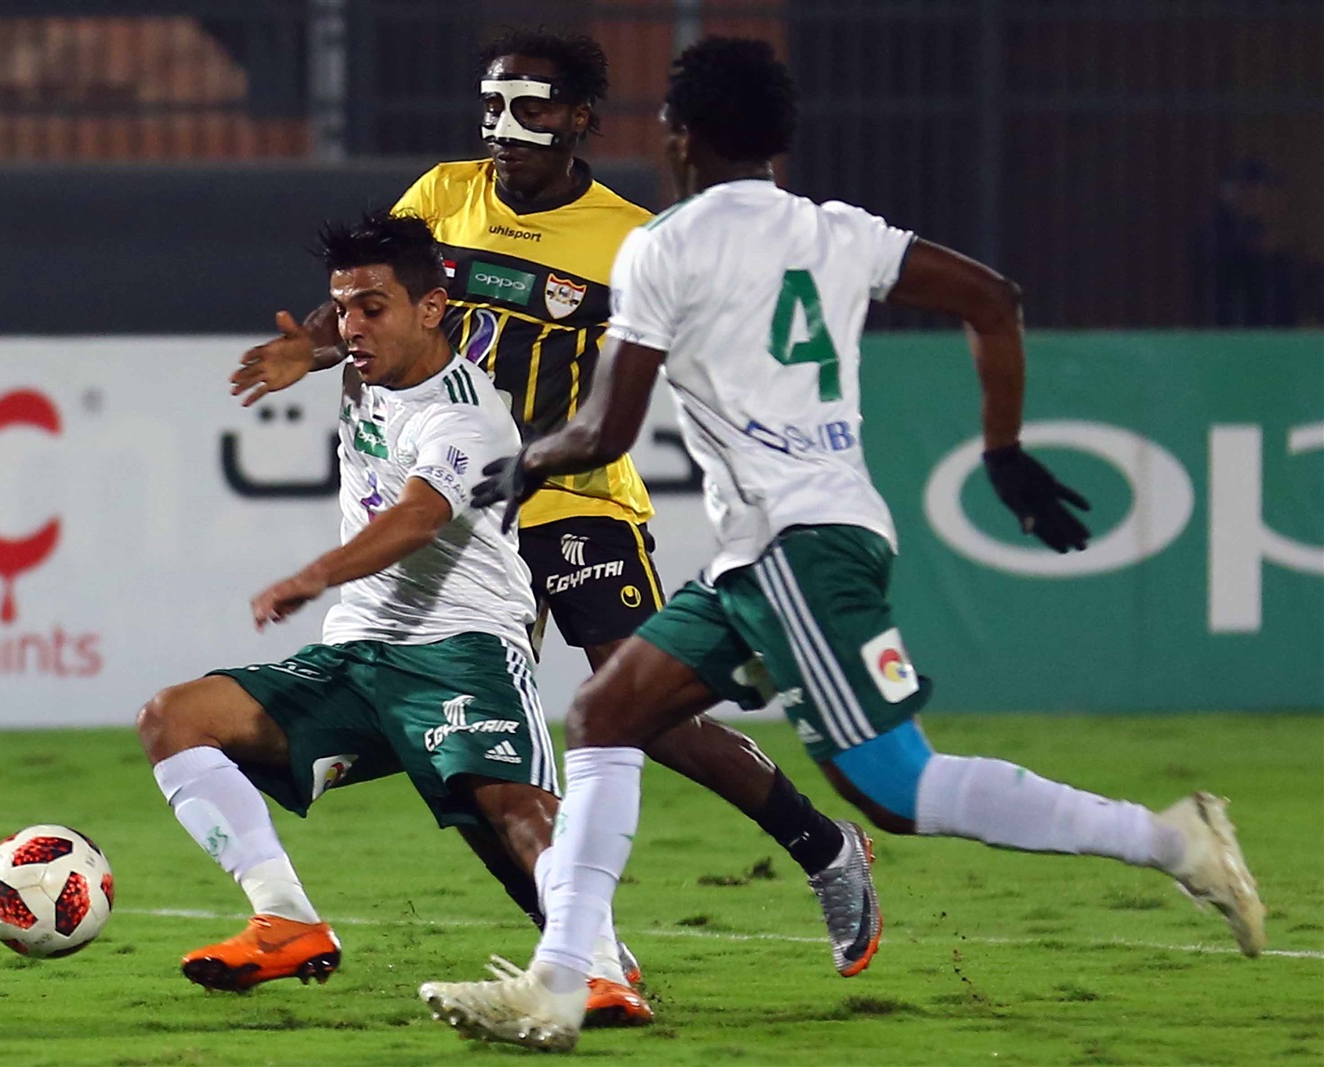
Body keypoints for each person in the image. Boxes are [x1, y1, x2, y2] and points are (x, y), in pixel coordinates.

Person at [418, 37, 1267, 1052]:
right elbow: (993, 299)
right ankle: (561, 982)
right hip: (769, 547)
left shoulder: (662, 247)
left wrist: (527, 460)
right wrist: (1002, 451)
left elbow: (604, 430)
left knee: (899, 789)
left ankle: (1172, 840)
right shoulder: (836, 230)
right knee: (606, 712)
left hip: (798, 545)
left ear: (678, 136)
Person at [230, 28, 879, 979]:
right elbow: (373, 295)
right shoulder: (442, 196)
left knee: (640, 704)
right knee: (473, 742)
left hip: (570, 497)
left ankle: (825, 846)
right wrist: (316, 346)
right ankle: (580, 948)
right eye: (492, 106)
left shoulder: (629, 239)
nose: (505, 127)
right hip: (461, 506)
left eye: (530, 107)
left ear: (579, 117)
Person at [136, 211, 650, 1024]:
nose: (351, 326)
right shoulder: (362, 369)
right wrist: (310, 349)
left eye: (372, 308)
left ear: (433, 308)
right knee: (174, 717)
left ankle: (601, 969)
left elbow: (417, 518)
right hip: (356, 659)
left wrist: (314, 575)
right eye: (342, 308)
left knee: (515, 810)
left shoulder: (469, 413)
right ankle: (286, 920)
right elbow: (345, 342)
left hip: (463, 650)